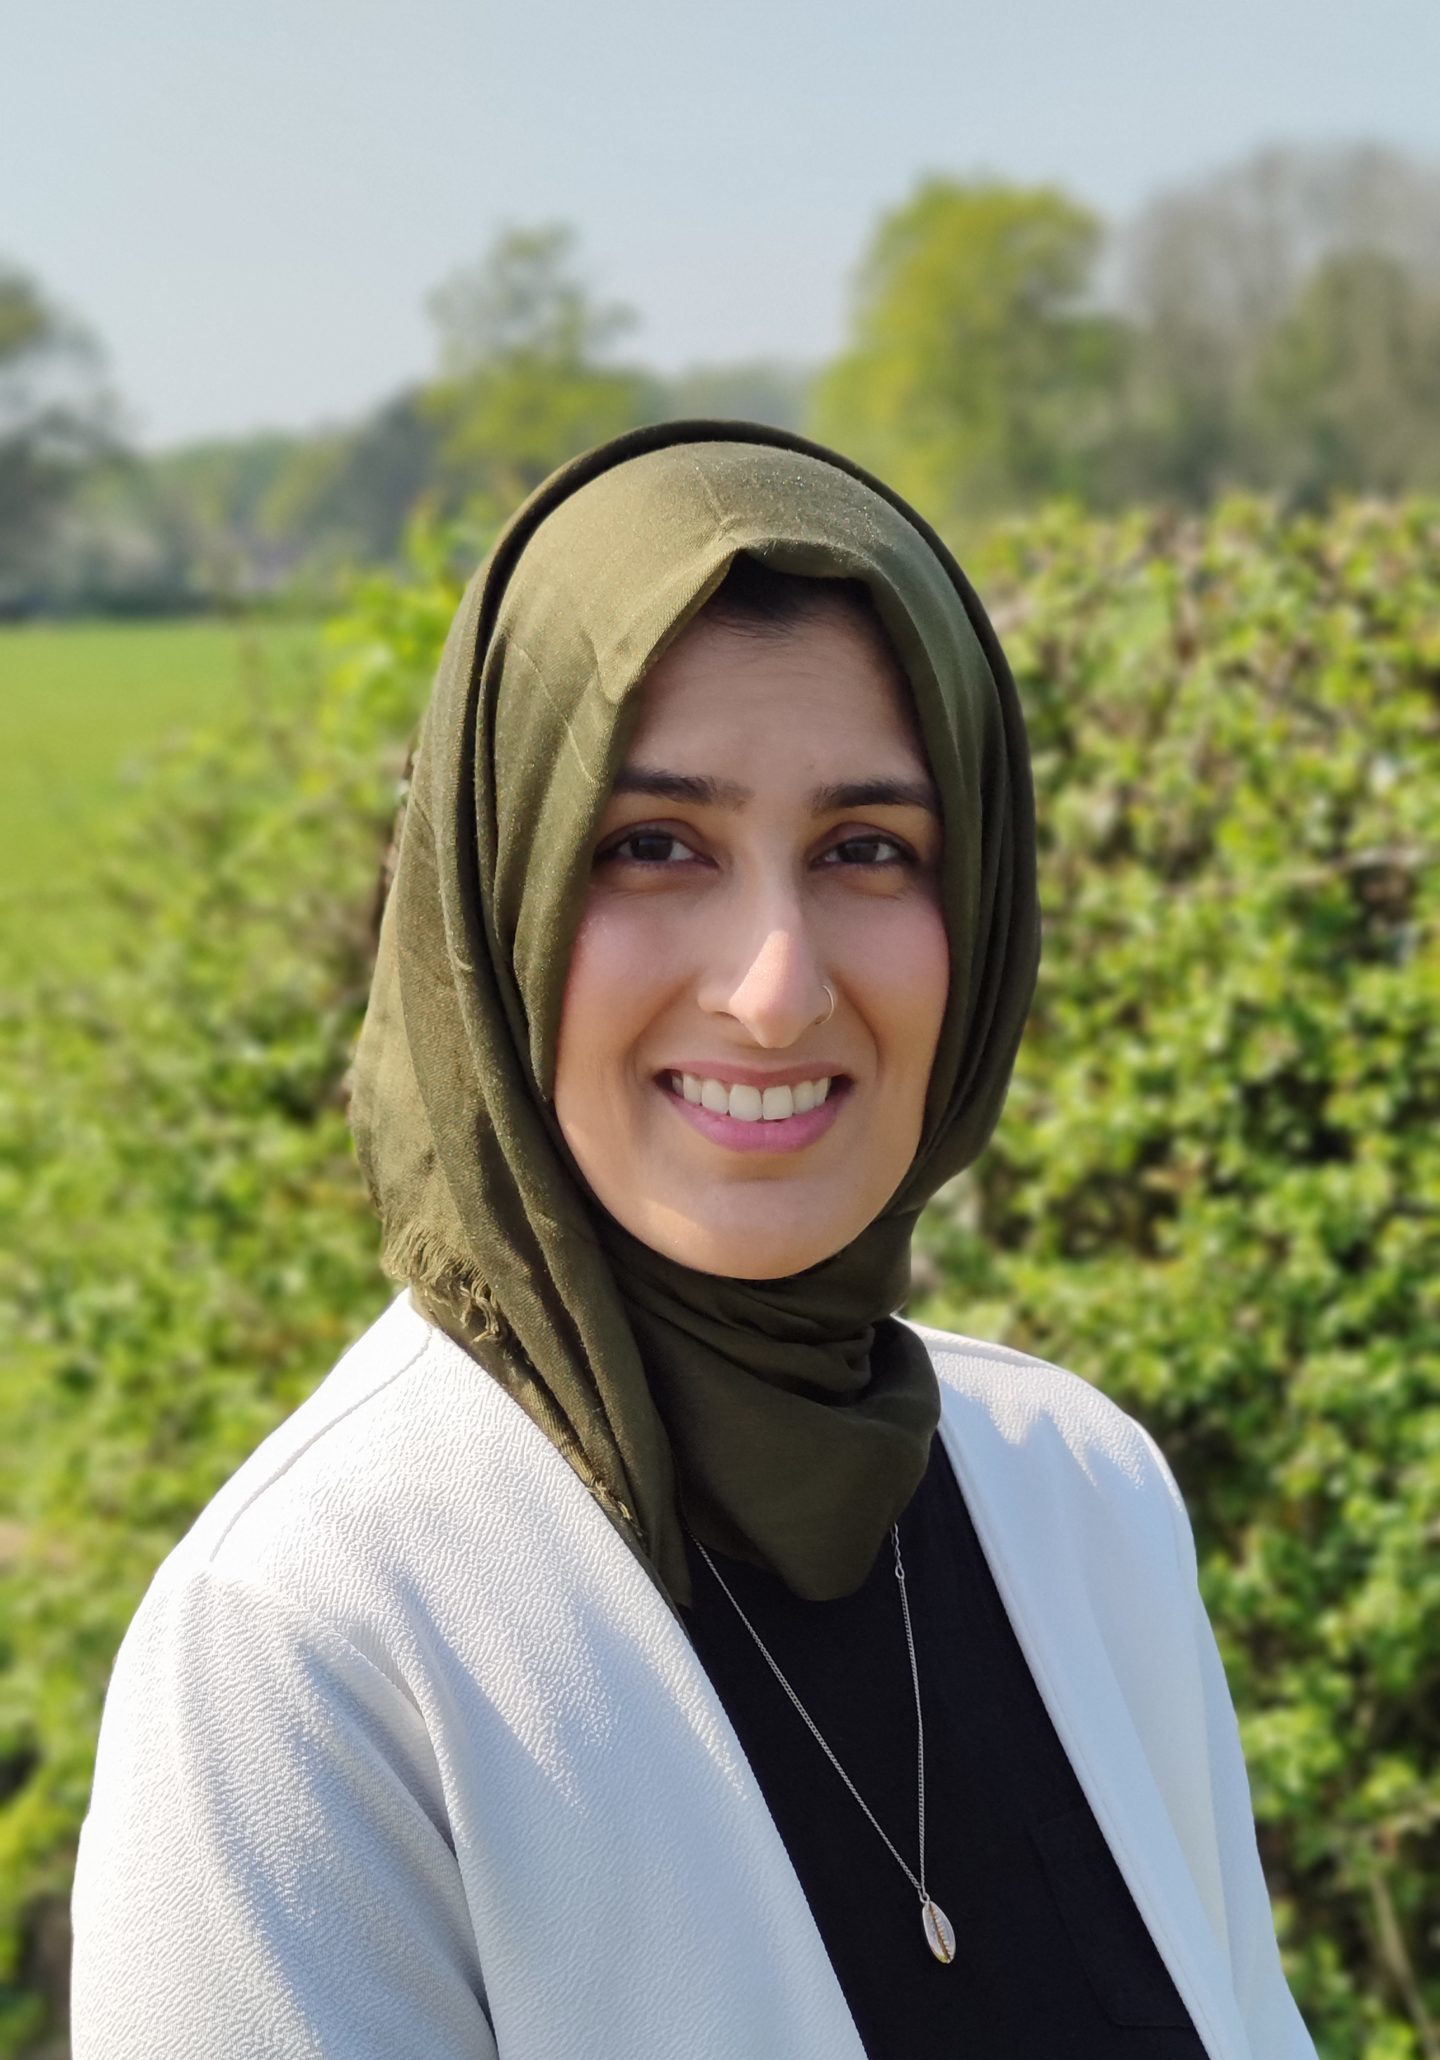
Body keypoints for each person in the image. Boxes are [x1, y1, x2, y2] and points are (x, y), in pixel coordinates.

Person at [70, 422, 1317, 2059]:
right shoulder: (312, 1648)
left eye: (869, 849)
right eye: (654, 845)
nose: (777, 983)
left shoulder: (1084, 1497)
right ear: (500, 894)